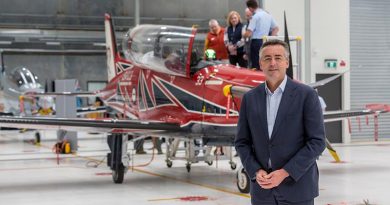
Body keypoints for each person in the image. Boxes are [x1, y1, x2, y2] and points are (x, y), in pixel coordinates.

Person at [235, 39, 326, 205]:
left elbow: (317, 142)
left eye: (278, 57)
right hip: (262, 192)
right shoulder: (250, 98)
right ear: (260, 63)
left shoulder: (306, 95)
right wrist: (255, 170)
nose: (273, 63)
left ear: (287, 62)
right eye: (267, 58)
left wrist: (285, 172)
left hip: (297, 189)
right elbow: (242, 142)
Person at [243, 0, 279, 70]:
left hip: (256, 42)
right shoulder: (268, 15)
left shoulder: (255, 17)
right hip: (266, 41)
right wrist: (270, 38)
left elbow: (249, 32)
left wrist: (243, 36)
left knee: (256, 64)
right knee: (265, 62)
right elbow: (276, 28)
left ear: (250, 8)